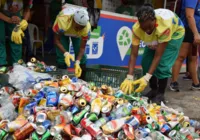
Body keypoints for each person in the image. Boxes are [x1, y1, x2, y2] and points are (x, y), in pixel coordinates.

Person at [120, 4, 185, 104]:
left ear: (154, 20)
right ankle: (154, 89)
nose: (147, 30)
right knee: (146, 62)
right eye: (144, 28)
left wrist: (146, 77)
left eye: (149, 27)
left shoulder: (164, 26)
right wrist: (129, 77)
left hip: (175, 33)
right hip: (158, 32)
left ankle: (160, 93)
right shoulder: (137, 29)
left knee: (163, 64)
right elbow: (133, 54)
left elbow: (158, 56)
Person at [53, 6, 91, 80]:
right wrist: (66, 53)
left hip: (77, 36)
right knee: (62, 58)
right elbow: (56, 41)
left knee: (82, 58)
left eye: (81, 28)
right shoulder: (62, 21)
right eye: (78, 27)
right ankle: (62, 79)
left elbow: (82, 48)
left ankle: (82, 80)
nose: (79, 29)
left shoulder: (86, 28)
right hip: (64, 32)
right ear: (73, 20)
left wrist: (77, 62)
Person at [170, 0, 200, 91]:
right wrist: (195, 34)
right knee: (181, 56)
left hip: (196, 31)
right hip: (187, 29)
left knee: (193, 57)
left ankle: (196, 83)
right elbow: (189, 15)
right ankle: (174, 82)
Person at [0, 0, 32, 67]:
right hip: (1, 14)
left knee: (17, 39)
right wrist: (9, 19)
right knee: (0, 39)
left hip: (16, 16)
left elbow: (27, 9)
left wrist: (24, 21)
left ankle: (17, 65)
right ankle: (1, 64)